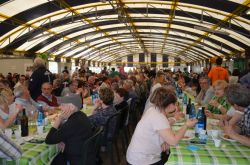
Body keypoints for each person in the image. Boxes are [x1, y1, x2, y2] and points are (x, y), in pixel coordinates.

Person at [126, 87, 197, 165]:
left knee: (168, 153)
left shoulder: (153, 109)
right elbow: (173, 141)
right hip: (142, 161)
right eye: (174, 103)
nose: (176, 106)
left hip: (136, 156)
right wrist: (186, 125)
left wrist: (164, 140)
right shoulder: (159, 117)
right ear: (170, 105)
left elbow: (162, 127)